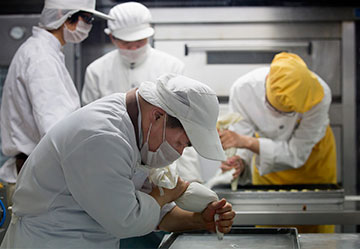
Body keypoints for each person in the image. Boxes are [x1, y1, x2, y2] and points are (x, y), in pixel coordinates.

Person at [0, 74, 235, 249]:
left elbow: (158, 213)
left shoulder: (135, 133)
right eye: (182, 143)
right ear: (158, 116)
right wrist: (173, 191)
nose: (180, 153)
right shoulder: (102, 137)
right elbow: (127, 221)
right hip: (50, 242)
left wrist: (201, 221)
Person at [0, 0, 113, 205]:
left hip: (37, 174)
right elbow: (57, 132)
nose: (88, 25)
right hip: (37, 180)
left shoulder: (44, 52)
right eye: (87, 18)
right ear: (64, 16)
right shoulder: (41, 58)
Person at [219, 52, 336, 233]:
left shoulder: (319, 95)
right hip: (266, 166)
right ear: (267, 80)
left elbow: (297, 153)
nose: (282, 117)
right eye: (276, 110)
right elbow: (242, 137)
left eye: (290, 113)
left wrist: (247, 142)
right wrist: (240, 161)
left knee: (316, 230)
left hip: (313, 163)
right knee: (271, 230)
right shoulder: (243, 90)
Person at [81, 2, 185, 106]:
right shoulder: (96, 71)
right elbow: (89, 116)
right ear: (112, 38)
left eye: (140, 41)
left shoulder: (172, 67)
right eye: (126, 43)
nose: (134, 47)